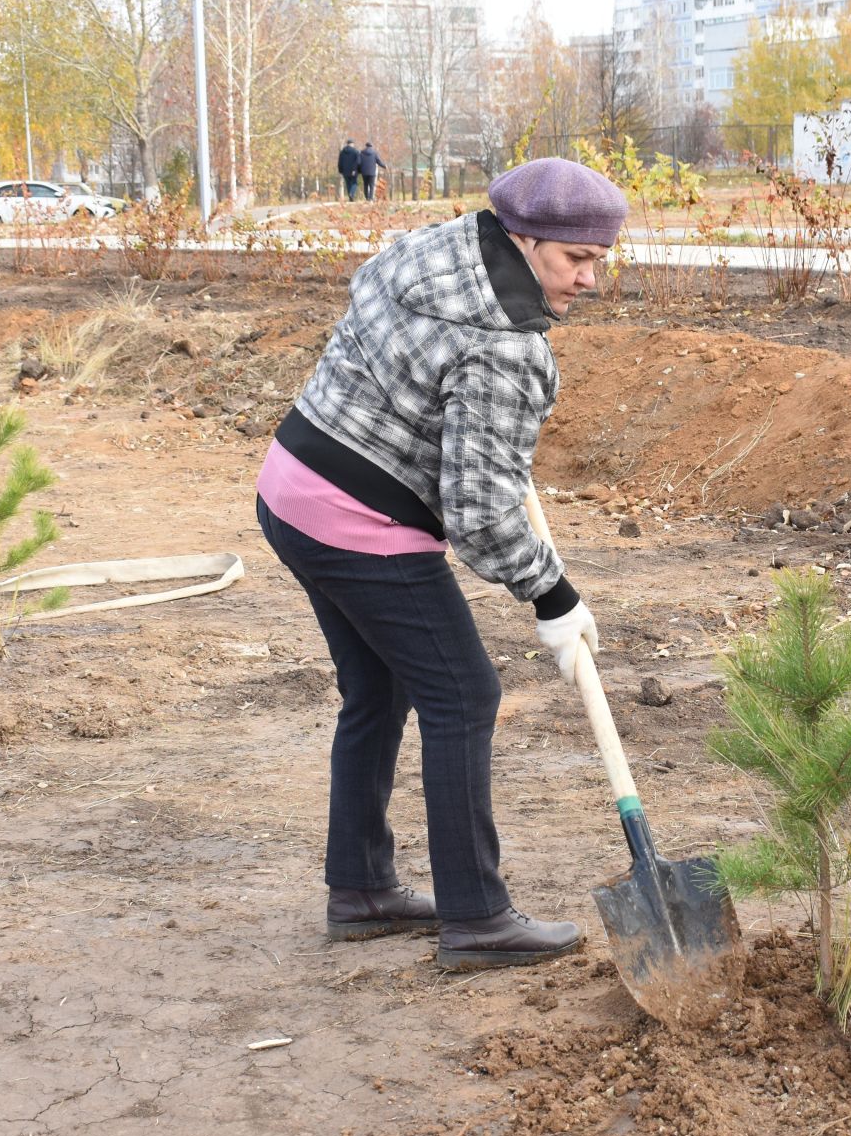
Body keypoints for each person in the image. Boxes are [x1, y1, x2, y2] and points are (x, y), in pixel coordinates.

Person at [254, 157, 625, 970]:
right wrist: (553, 595)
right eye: (577, 260)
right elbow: (482, 515)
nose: (592, 279)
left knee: (379, 686)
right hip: (355, 518)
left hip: (291, 484)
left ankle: (360, 888)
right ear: (525, 240)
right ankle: (478, 917)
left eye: (600, 258)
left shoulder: (434, 248)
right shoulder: (504, 349)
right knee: (464, 693)